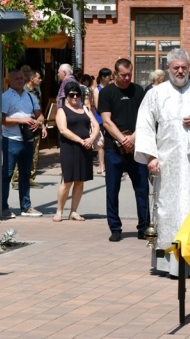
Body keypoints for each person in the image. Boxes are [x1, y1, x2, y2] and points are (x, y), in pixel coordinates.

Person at [135, 48, 190, 275]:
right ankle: (170, 264)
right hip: (167, 163)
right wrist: (151, 155)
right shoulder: (156, 93)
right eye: (176, 67)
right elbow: (145, 124)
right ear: (168, 68)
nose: (180, 71)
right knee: (168, 210)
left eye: (184, 67)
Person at [99, 58, 148, 242]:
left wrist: (133, 138)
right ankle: (115, 228)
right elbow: (106, 121)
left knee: (142, 188)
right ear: (115, 74)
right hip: (114, 149)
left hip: (137, 147)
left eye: (129, 74)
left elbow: (145, 118)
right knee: (112, 189)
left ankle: (144, 227)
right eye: (123, 75)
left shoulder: (139, 91)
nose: (127, 78)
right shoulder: (107, 93)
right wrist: (122, 140)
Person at [1, 69, 47, 219]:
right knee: (7, 175)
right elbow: (2, 120)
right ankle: (3, 207)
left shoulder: (30, 96)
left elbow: (41, 116)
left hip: (27, 140)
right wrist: (20, 120)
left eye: (21, 78)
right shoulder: (5, 97)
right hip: (11, 139)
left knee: (25, 174)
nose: (20, 80)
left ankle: (26, 206)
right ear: (9, 81)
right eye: (17, 78)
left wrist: (38, 123)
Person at [54, 81, 99, 222]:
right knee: (67, 180)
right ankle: (59, 211)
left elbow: (96, 125)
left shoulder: (85, 109)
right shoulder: (61, 110)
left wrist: (91, 139)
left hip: (85, 148)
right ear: (66, 96)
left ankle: (74, 211)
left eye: (77, 94)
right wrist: (81, 140)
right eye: (72, 94)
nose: (75, 97)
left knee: (80, 181)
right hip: (70, 147)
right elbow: (63, 130)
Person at [12, 68, 45, 190]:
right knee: (21, 153)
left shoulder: (36, 92)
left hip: (35, 125)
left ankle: (30, 178)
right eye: (38, 77)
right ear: (32, 79)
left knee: (34, 153)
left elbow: (38, 112)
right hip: (23, 127)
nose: (40, 80)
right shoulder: (22, 92)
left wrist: (42, 125)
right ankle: (16, 180)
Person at [93, 68, 112, 175]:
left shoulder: (110, 88)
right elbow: (97, 106)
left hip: (110, 118)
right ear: (103, 77)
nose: (111, 77)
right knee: (101, 144)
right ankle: (101, 165)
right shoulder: (97, 90)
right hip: (100, 119)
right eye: (109, 76)